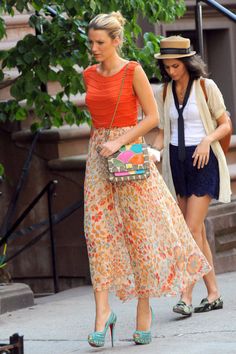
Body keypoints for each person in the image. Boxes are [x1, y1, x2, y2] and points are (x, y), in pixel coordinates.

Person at [82, 14, 211, 348]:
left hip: (128, 156)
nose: (94, 48)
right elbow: (97, 120)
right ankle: (102, 312)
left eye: (100, 42)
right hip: (97, 158)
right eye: (91, 42)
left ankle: (143, 310)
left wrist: (120, 141)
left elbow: (153, 118)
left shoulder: (132, 70)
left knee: (138, 232)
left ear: (115, 41)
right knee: (97, 235)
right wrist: (102, 144)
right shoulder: (88, 75)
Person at [153, 35, 231, 316]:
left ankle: (185, 295)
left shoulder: (206, 86)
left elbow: (225, 124)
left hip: (203, 160)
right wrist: (153, 152)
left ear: (187, 62)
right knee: (195, 232)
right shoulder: (164, 92)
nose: (172, 72)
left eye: (176, 66)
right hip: (177, 162)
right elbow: (163, 130)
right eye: (167, 67)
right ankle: (213, 292)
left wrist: (206, 140)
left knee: (188, 229)